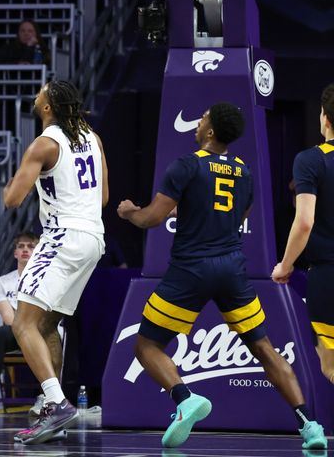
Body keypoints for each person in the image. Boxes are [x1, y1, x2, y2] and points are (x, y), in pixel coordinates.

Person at [117, 102, 327, 451]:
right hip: (232, 268)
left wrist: (129, 213)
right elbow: (238, 212)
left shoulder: (186, 164)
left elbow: (153, 218)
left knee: (147, 345)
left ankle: (185, 399)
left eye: (203, 118)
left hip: (190, 269)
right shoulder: (244, 171)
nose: (198, 122)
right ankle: (310, 426)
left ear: (210, 131)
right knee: (263, 348)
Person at [3, 80, 108, 445]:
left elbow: (13, 199)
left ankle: (57, 403)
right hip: (94, 238)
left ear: (48, 106)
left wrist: (14, 180)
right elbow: (104, 196)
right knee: (47, 325)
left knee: (22, 323)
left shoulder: (45, 143)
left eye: (41, 92)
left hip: (63, 236)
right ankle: (54, 406)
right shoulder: (93, 139)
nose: (36, 95)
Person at [273, 84, 334, 386]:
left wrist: (285, 265)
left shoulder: (311, 160)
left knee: (331, 366)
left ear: (324, 118)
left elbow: (305, 221)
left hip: (328, 274)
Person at [0, 232, 41, 417]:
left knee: (51, 336)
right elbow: (8, 318)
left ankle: (46, 397)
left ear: (38, 252)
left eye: (30, 246)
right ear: (15, 253)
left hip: (42, 331)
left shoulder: (47, 279)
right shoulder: (2, 283)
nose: (25, 250)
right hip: (17, 331)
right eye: (21, 246)